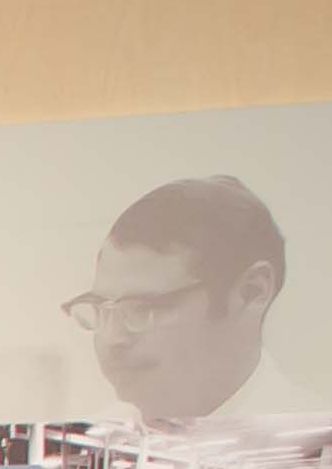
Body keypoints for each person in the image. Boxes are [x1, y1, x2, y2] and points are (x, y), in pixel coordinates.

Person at [77, 176, 315, 431]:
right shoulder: (96, 428)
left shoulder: (316, 435)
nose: (112, 339)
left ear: (252, 291)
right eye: (100, 308)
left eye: (143, 308)